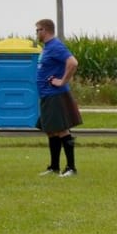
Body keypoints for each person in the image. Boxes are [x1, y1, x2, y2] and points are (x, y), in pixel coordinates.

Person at [34, 18, 83, 177]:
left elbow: (73, 62)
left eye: (38, 30)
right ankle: (54, 167)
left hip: (55, 95)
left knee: (61, 130)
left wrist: (63, 81)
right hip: (46, 95)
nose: (36, 33)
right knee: (51, 131)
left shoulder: (55, 46)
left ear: (45, 30)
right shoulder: (47, 48)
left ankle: (71, 168)